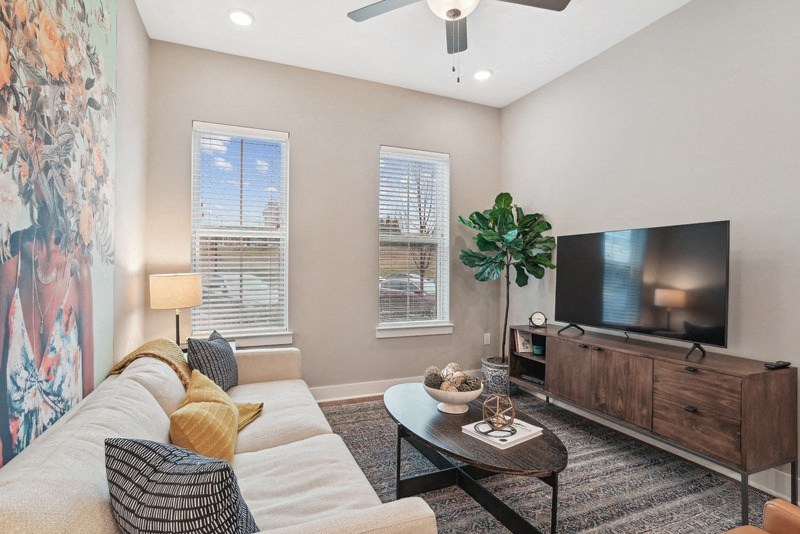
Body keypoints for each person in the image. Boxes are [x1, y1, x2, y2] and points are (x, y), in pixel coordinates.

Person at [0, 208, 94, 467]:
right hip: (11, 466)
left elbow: (89, 391)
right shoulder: (13, 258)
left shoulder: (79, 267)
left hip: (64, 465)